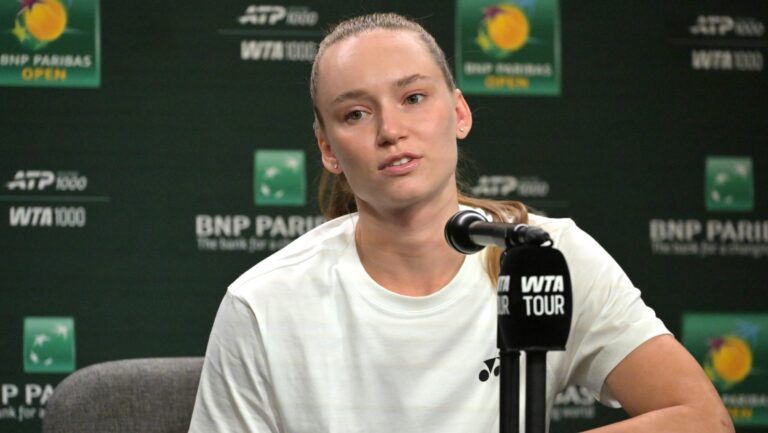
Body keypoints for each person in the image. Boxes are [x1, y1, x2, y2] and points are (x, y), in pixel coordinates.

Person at [188, 12, 733, 433]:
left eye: (413, 97)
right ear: (328, 149)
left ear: (459, 112)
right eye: (356, 113)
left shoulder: (544, 255)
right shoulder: (262, 304)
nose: (390, 129)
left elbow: (702, 419)